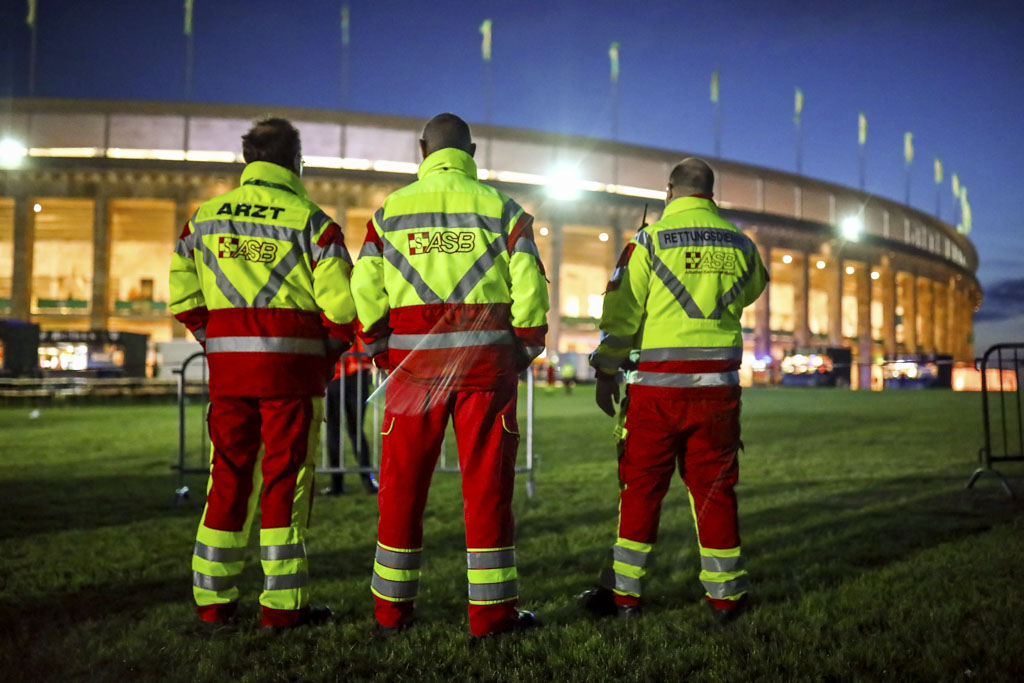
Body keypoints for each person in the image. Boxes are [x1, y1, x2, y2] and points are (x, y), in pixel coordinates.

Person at [351, 113, 549, 637]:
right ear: (472, 151)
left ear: (422, 150)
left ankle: (391, 614)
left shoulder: (389, 213)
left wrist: (377, 348)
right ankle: (491, 616)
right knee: (487, 491)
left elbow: (365, 290)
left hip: (412, 370)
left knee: (401, 491)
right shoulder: (504, 211)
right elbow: (529, 291)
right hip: (485, 370)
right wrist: (522, 349)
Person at [169, 117, 356, 629]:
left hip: (229, 377)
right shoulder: (314, 223)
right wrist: (326, 355)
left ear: (247, 159)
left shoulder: (202, 220)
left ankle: (212, 600)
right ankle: (281, 605)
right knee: (286, 481)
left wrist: (219, 343)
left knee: (225, 479)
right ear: (298, 163)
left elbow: (182, 296)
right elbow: (342, 309)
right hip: (291, 379)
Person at [579, 157, 768, 623]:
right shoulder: (742, 245)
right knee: (716, 492)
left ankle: (625, 599)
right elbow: (753, 290)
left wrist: (605, 370)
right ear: (710, 193)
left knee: (641, 490)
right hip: (718, 394)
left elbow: (621, 318)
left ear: (669, 192)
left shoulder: (648, 241)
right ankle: (726, 600)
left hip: (656, 394)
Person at [323, 334, 379, 495]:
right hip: (355, 375)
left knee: (334, 431)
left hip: (334, 376)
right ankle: (368, 481)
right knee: (355, 431)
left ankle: (337, 484)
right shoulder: (357, 313)